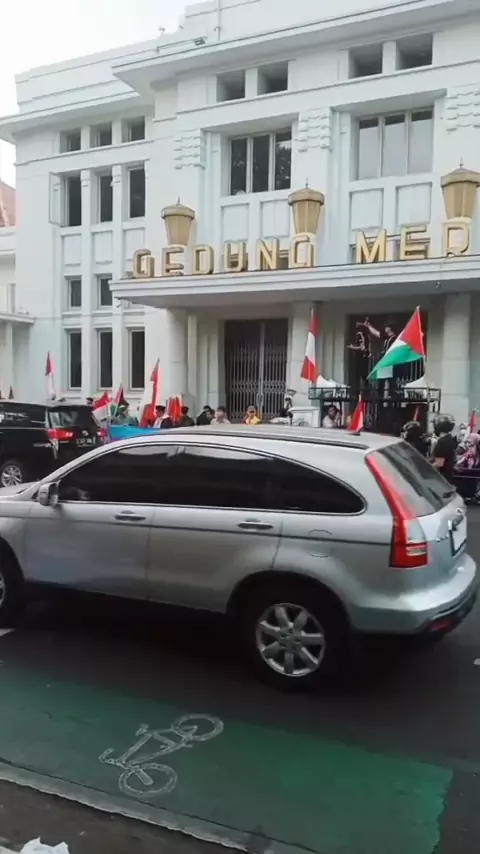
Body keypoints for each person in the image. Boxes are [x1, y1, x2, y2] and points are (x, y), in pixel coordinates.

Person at [431, 414, 457, 482]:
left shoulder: (442, 442)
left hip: (442, 478)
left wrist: (426, 467)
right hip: (448, 476)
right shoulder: (450, 439)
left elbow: (439, 463)